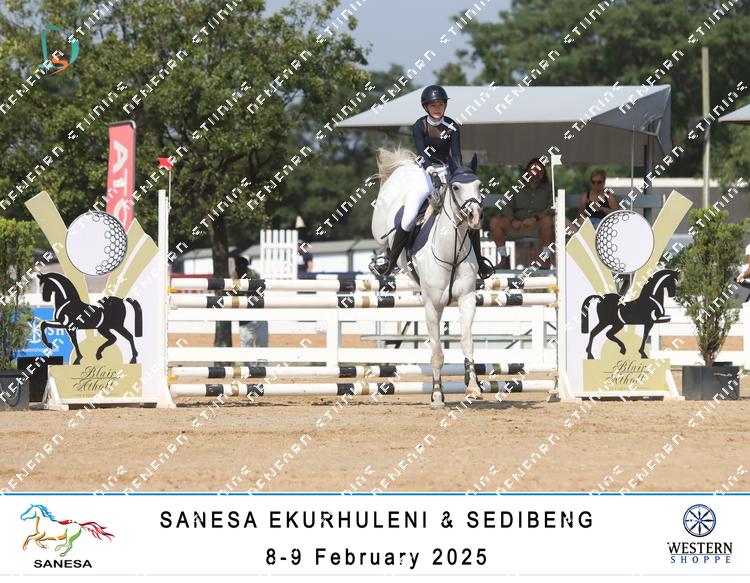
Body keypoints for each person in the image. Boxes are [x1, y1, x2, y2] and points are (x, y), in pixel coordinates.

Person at [370, 84, 494, 278]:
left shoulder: (452, 125)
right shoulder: (420, 125)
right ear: (426, 107)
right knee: (409, 216)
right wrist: (429, 169)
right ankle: (391, 262)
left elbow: (456, 154)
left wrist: (458, 172)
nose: (437, 108)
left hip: (448, 172)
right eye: (433, 105)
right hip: (424, 173)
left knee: (469, 211)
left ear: (445, 105)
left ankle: (479, 261)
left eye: (440, 104)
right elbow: (421, 152)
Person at [489, 158, 555, 268]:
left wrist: (535, 218)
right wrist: (512, 220)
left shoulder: (550, 189)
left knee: (548, 221)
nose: (536, 173)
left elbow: (552, 207)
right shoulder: (516, 187)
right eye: (533, 170)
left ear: (544, 173)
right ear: (527, 172)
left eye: (540, 170)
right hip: (517, 226)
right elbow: (505, 204)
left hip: (538, 227)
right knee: (495, 221)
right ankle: (504, 259)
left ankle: (546, 259)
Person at [232, 255, 268, 367]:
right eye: (239, 267)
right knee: (246, 344)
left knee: (262, 343)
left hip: (258, 313)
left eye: (243, 267)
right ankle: (249, 369)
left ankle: (262, 368)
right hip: (245, 317)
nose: (241, 269)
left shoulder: (254, 275)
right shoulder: (234, 277)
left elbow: (260, 291)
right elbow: (233, 295)